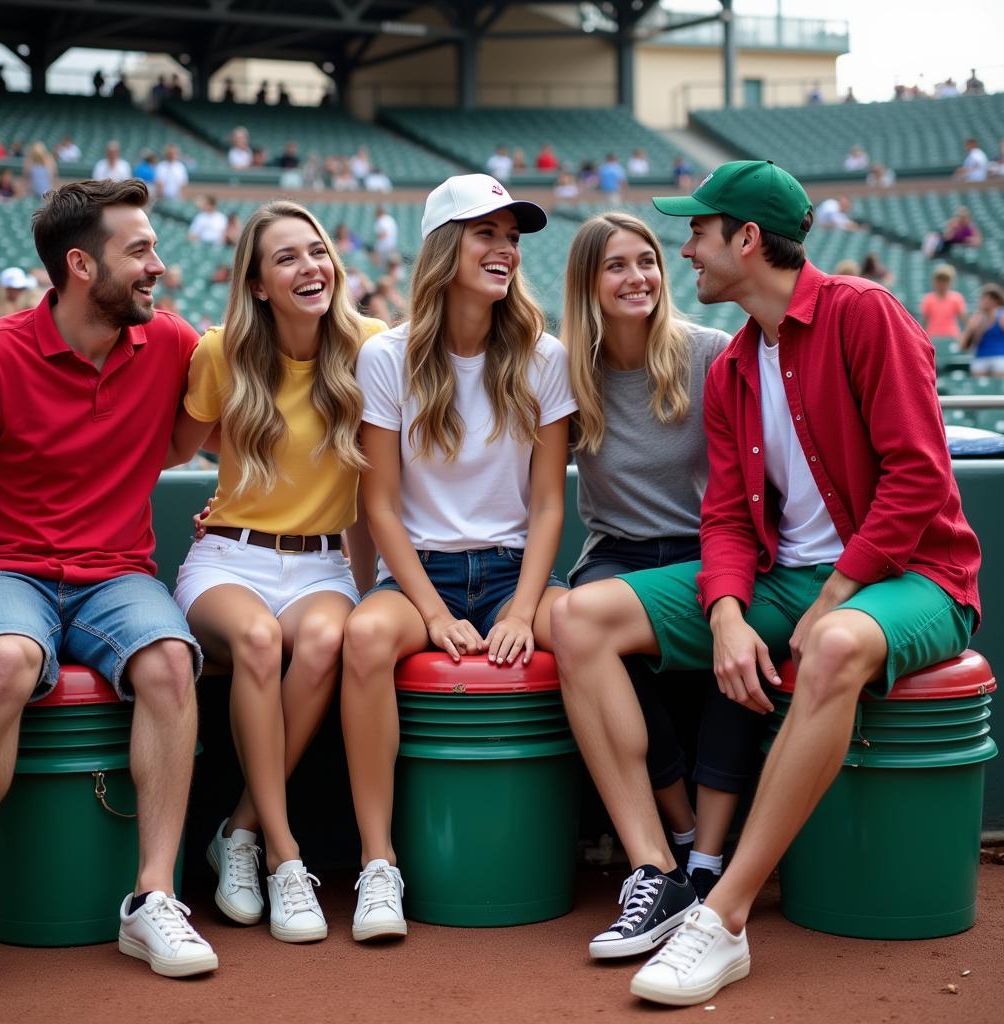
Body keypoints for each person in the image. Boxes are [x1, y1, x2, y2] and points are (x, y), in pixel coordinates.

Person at [551, 160, 980, 1006]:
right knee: (579, 619)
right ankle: (662, 873)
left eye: (698, 235)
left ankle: (724, 919)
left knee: (829, 644)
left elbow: (918, 480)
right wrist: (724, 613)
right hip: (787, 579)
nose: (686, 253)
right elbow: (727, 520)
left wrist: (831, 597)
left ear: (747, 240)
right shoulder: (736, 362)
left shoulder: (865, 314)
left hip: (914, 578)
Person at [0, 178, 218, 977]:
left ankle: (153, 900)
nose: (158, 265)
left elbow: (192, 447)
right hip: (6, 568)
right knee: (5, 662)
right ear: (81, 266)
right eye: (140, 251)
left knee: (171, 662)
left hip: (116, 575)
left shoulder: (175, 344)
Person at [341, 173, 576, 943]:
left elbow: (547, 506)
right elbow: (378, 506)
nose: (505, 249)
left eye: (512, 237)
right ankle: (379, 864)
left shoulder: (545, 356)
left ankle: (637, 849)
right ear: (447, 247)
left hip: (514, 570)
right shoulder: (386, 355)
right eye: (487, 234)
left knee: (580, 625)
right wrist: (436, 613)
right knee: (366, 638)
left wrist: (518, 609)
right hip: (421, 578)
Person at [168, 200, 386, 943]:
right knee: (259, 641)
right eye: (287, 257)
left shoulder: (371, 347)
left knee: (327, 643)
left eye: (317, 251)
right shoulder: (221, 349)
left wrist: (369, 582)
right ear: (257, 282)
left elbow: (378, 489)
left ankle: (238, 830)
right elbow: (165, 451)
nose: (309, 267)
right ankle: (284, 856)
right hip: (228, 556)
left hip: (322, 565)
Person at [562, 213, 764, 930]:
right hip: (616, 552)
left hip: (708, 548)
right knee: (580, 626)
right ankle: (677, 834)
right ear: (588, 282)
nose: (637, 277)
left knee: (739, 656)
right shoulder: (566, 369)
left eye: (646, 261)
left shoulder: (710, 352)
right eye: (616, 266)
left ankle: (707, 859)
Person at [960, 283, 1004, 377]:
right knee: (978, 370)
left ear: (996, 300)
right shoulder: (977, 318)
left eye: (988, 298)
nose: (984, 301)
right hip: (980, 358)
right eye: (984, 298)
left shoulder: (1002, 316)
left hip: (999, 357)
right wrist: (973, 327)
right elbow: (963, 345)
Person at [920, 265, 967, 340]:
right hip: (933, 337)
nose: (942, 284)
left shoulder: (957, 298)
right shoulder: (928, 299)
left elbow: (964, 319)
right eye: (939, 280)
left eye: (945, 280)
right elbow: (925, 321)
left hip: (952, 337)